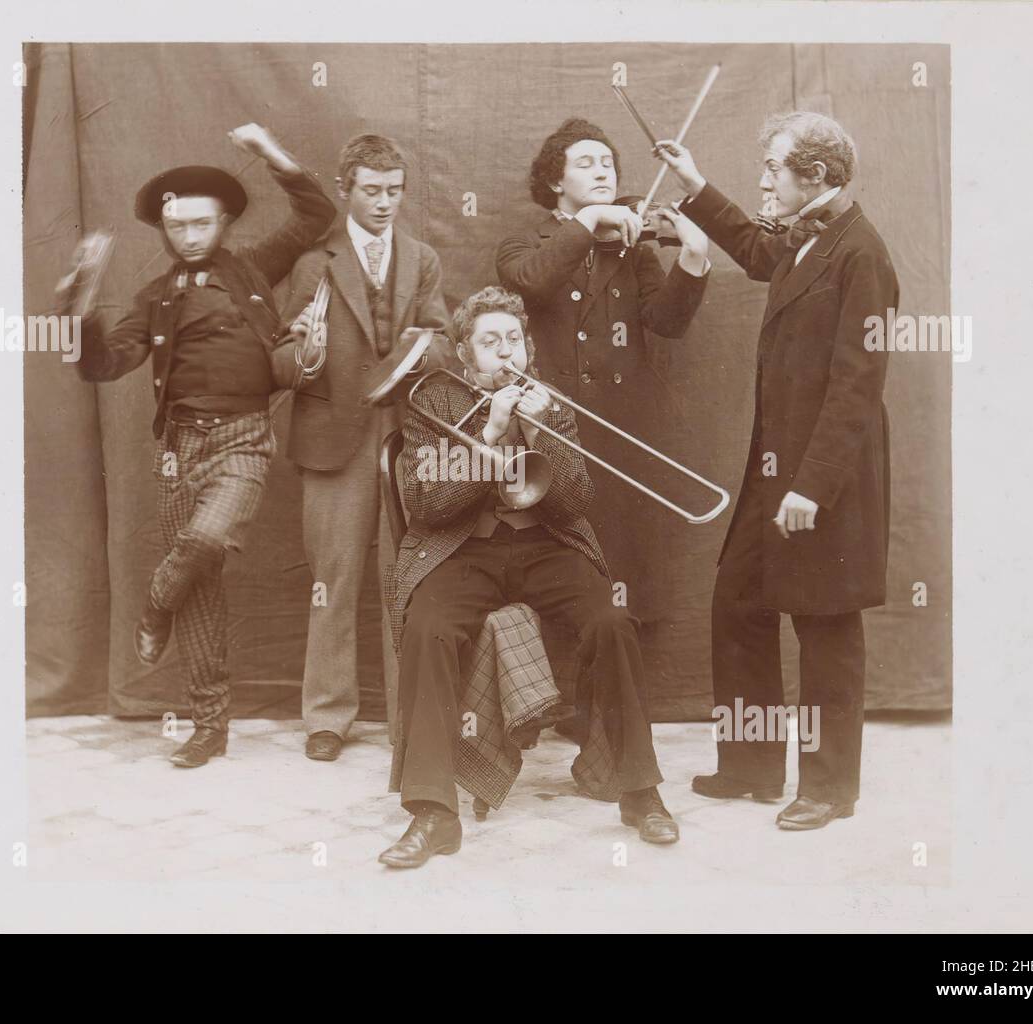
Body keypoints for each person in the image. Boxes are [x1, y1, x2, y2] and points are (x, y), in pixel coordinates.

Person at [378, 286, 679, 869]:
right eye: (490, 342)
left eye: (513, 340)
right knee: (428, 628)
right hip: (462, 547)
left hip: (545, 543)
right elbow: (429, 506)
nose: (505, 352)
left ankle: (640, 792)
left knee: (611, 622)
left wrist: (541, 433)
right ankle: (434, 812)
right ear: (466, 354)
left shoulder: (551, 401)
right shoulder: (434, 401)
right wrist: (487, 437)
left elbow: (575, 503)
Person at [654, 111, 897, 829]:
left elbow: (857, 388)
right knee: (739, 601)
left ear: (815, 177)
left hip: (826, 479)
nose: (763, 178)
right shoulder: (806, 234)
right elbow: (760, 254)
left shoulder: (862, 255)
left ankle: (828, 788)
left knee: (824, 625)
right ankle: (753, 766)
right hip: (776, 470)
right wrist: (696, 185)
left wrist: (809, 489)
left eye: (772, 168)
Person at [69, 123, 336, 768]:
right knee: (201, 589)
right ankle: (209, 725)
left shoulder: (251, 269)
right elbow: (105, 364)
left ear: (223, 223)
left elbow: (317, 214)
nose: (191, 236)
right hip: (176, 451)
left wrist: (271, 153)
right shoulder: (154, 297)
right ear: (165, 231)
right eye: (179, 227)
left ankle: (153, 603)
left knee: (205, 542)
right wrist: (77, 315)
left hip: (244, 439)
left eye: (202, 224)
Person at [495, 117, 711, 737]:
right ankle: (545, 708)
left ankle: (604, 716)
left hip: (624, 434)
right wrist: (589, 226)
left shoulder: (635, 248)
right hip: (551, 434)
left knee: (623, 571)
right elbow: (532, 281)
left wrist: (691, 258)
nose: (604, 171)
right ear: (554, 179)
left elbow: (665, 324)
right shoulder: (525, 244)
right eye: (587, 162)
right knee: (562, 567)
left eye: (609, 164)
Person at [270, 134, 453, 762]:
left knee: (403, 579)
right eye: (372, 191)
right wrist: (303, 350)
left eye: (394, 191)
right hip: (331, 442)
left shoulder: (423, 257)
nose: (384, 203)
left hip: (404, 438)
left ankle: (410, 713)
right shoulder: (311, 261)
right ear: (346, 190)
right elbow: (280, 358)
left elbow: (444, 342)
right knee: (334, 579)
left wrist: (419, 349)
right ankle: (327, 717)